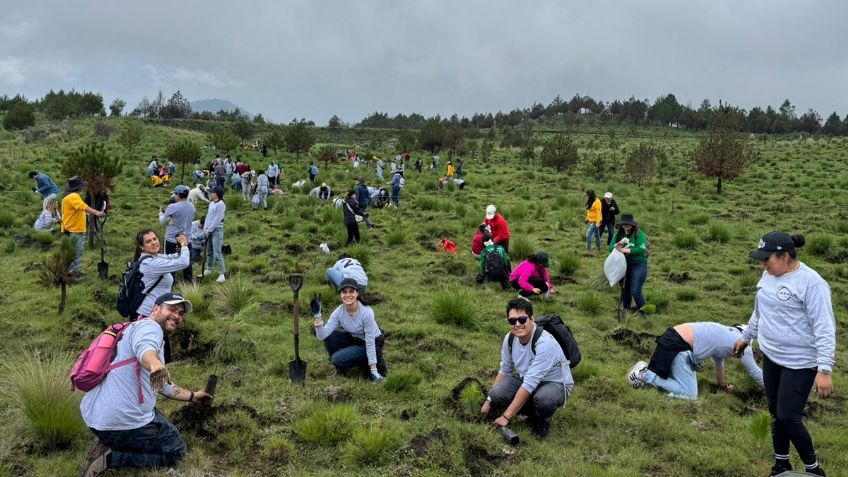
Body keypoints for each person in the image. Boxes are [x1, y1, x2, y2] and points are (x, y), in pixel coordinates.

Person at [732, 232, 835, 477]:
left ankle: (814, 470)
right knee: (775, 413)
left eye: (767, 259)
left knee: (789, 417)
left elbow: (824, 327)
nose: (763, 264)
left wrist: (824, 370)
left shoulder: (812, 284)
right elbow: (759, 312)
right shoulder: (768, 275)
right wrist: (746, 337)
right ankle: (781, 464)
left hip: (800, 363)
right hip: (771, 356)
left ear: (784, 256)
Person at [78, 293, 212, 476]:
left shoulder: (133, 327)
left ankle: (108, 440)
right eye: (172, 309)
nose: (177, 316)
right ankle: (110, 458)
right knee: (177, 452)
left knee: (157, 418)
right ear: (155, 308)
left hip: (96, 415)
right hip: (119, 421)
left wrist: (192, 396)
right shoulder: (150, 328)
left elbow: (163, 385)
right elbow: (145, 350)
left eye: (181, 313)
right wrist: (156, 364)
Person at [480, 298, 573, 438]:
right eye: (512, 321)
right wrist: (489, 400)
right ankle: (531, 411)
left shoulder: (545, 344)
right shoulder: (510, 339)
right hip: (528, 379)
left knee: (544, 399)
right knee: (496, 394)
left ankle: (541, 423)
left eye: (522, 319)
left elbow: (529, 384)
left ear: (531, 319)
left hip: (555, 383)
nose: (517, 324)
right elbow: (505, 369)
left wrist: (505, 417)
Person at [627, 322, 764, 400]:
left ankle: (650, 372)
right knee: (690, 395)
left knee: (678, 384)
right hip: (678, 348)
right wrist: (777, 389)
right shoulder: (743, 345)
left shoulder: (727, 334)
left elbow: (718, 363)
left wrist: (723, 385)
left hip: (670, 339)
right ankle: (646, 375)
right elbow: (755, 373)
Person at [313, 278, 387, 380]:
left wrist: (374, 371)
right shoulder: (339, 311)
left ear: (357, 293)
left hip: (372, 343)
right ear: (341, 295)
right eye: (344, 292)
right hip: (354, 339)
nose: (348, 295)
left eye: (351, 291)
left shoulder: (366, 313)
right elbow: (322, 336)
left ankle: (364, 363)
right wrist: (317, 316)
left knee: (336, 359)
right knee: (330, 336)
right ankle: (342, 368)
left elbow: (370, 342)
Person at [61, 176, 106, 281]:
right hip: (73, 229)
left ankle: (70, 271)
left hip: (70, 228)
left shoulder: (67, 197)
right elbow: (83, 207)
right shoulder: (73, 196)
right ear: (79, 187)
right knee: (77, 251)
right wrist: (97, 212)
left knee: (73, 251)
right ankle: (73, 274)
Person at [608, 214, 648, 315]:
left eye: (628, 224)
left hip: (638, 264)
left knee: (635, 290)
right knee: (625, 289)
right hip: (624, 264)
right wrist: (618, 245)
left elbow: (641, 249)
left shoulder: (639, 233)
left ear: (632, 224)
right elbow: (610, 247)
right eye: (624, 224)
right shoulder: (619, 234)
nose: (626, 225)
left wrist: (624, 250)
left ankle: (643, 312)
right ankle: (626, 311)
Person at [158, 186, 196, 283]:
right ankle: (189, 283)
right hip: (186, 239)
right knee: (187, 261)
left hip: (172, 239)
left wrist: (161, 213)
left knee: (169, 261)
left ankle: (170, 282)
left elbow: (163, 222)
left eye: (175, 194)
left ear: (178, 195)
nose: (174, 196)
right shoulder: (192, 206)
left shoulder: (172, 207)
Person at [202, 187, 227, 283]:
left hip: (217, 231)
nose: (210, 194)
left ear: (216, 194)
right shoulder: (211, 204)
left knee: (217, 252)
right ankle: (209, 268)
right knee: (209, 250)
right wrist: (205, 230)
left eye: (211, 193)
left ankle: (221, 273)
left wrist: (209, 230)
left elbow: (217, 219)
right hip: (208, 230)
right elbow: (208, 217)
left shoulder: (221, 205)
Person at [584, 189, 602, 255]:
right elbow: (589, 211)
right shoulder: (591, 201)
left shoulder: (597, 202)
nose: (586, 196)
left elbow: (599, 213)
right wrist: (587, 218)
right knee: (597, 236)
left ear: (590, 195)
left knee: (589, 235)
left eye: (587, 195)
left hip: (596, 221)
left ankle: (589, 251)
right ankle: (600, 250)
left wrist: (597, 223)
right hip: (591, 221)